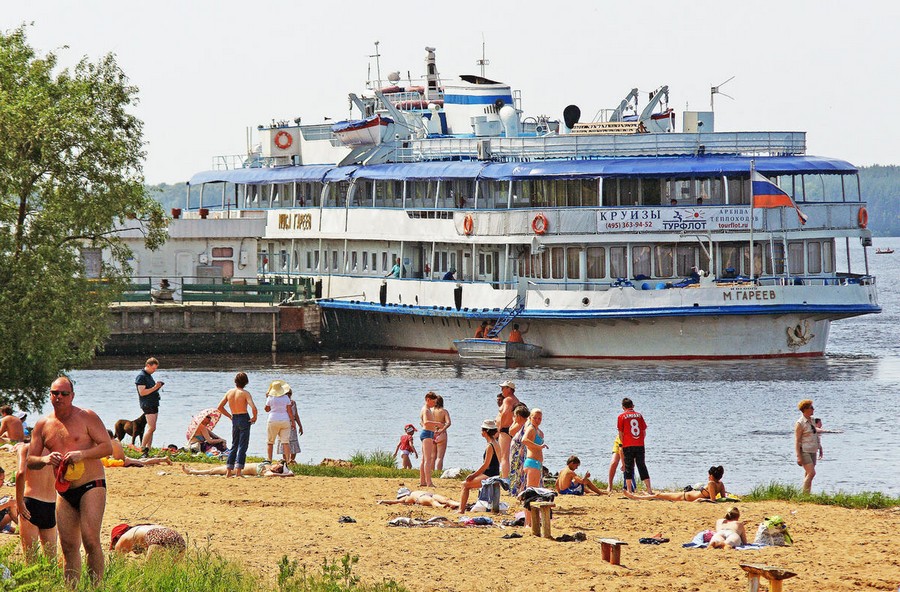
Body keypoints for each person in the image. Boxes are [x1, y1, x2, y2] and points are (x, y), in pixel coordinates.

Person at [27, 376, 113, 586]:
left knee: (90, 540)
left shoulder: (86, 416)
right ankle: (71, 589)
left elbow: (107, 447)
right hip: (64, 491)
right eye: (55, 393)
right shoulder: (43, 424)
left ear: (72, 396)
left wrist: (82, 454)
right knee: (67, 545)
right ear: (50, 395)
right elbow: (30, 460)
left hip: (91, 485)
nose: (59, 397)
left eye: (64, 394)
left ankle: (96, 588)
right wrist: (46, 459)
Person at [15, 442, 57, 562]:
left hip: (31, 502)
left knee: (30, 558)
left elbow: (20, 473)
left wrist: (19, 502)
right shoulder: (55, 449)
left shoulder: (26, 448)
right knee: (51, 560)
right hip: (51, 503)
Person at [216, 372, 258, 478]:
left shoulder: (229, 392)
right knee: (243, 445)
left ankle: (229, 471)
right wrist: (254, 417)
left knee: (234, 445)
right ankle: (238, 471)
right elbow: (253, 407)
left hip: (235, 417)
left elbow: (220, 407)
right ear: (246, 382)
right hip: (244, 417)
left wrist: (230, 416)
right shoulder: (245, 393)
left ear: (235, 381)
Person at [458, 419, 501, 514]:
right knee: (466, 483)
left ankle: (461, 510)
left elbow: (486, 465)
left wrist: (473, 475)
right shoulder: (495, 442)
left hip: (490, 474)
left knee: (465, 485)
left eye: (482, 430)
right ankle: (461, 509)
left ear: (485, 432)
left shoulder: (490, 445)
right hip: (494, 472)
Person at [624, 465, 726, 501]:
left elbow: (713, 500)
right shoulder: (721, 484)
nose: (708, 477)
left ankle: (635, 497)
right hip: (686, 495)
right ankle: (646, 494)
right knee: (660, 495)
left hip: (685, 497)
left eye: (709, 475)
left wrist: (700, 500)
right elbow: (723, 498)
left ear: (711, 476)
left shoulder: (711, 483)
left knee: (659, 496)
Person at [617, 397, 653, 494]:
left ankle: (629, 490)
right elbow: (644, 431)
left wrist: (622, 443)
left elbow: (621, 433)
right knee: (642, 466)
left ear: (623, 407)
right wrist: (639, 440)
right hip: (640, 444)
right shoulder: (639, 415)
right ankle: (649, 490)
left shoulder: (621, 417)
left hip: (628, 445)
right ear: (632, 406)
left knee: (628, 467)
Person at [134, 357, 163, 456]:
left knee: (152, 428)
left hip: (154, 403)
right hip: (147, 404)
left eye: (155, 369)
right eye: (153, 368)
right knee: (151, 427)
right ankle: (142, 448)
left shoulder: (149, 376)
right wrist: (155, 387)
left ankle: (148, 448)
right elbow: (142, 392)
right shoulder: (141, 376)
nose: (154, 370)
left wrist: (157, 387)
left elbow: (150, 389)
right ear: (148, 365)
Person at [110, 523, 186, 558]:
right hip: (178, 538)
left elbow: (118, 564)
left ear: (117, 537)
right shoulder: (142, 530)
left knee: (150, 574)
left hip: (157, 536)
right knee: (171, 573)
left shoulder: (123, 538)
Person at [103, 431, 172, 467]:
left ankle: (163, 459)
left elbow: (107, 455)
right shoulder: (116, 441)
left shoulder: (111, 443)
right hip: (124, 458)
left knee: (144, 462)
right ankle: (158, 460)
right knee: (141, 460)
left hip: (124, 461)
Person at [495, 380, 520, 478]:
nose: (501, 390)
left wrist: (500, 427)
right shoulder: (516, 400)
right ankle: (511, 476)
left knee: (504, 456)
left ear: (509, 389)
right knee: (512, 455)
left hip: (505, 429)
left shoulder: (507, 399)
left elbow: (505, 413)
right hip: (513, 429)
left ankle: (505, 478)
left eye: (503, 388)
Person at [265, 380, 293, 463]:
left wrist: (267, 399)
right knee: (285, 442)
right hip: (285, 420)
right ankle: (287, 460)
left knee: (270, 442)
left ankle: (269, 460)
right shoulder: (286, 398)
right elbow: (289, 411)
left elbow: (267, 409)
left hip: (273, 419)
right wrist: (293, 422)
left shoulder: (270, 398)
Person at [795, 399, 819, 493]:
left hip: (813, 450)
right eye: (811, 407)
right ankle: (804, 495)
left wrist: (820, 447)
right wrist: (798, 456)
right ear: (805, 409)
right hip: (804, 451)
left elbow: (815, 434)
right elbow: (797, 440)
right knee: (812, 473)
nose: (813, 409)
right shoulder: (800, 423)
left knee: (808, 473)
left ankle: (807, 494)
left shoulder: (812, 420)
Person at [419, 392, 441, 487]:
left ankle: (422, 481)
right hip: (427, 434)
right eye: (433, 402)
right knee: (428, 459)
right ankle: (429, 482)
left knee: (424, 459)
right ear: (428, 400)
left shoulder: (427, 409)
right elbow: (426, 422)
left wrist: (434, 429)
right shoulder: (426, 410)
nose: (434, 404)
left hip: (429, 433)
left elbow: (422, 422)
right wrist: (437, 424)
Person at [508, 403, 530, 497]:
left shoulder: (523, 424)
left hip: (520, 452)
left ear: (518, 416)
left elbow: (511, 431)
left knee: (518, 471)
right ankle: (515, 490)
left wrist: (515, 421)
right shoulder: (522, 423)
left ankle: (518, 490)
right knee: (515, 470)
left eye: (515, 415)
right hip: (517, 452)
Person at [522, 408, 547, 490]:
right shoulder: (531, 428)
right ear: (530, 418)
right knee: (531, 488)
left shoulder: (539, 431)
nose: (537, 420)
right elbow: (524, 440)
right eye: (535, 418)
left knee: (535, 488)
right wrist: (538, 447)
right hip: (532, 461)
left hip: (537, 462)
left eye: (539, 418)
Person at [277, 389, 303, 464]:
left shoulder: (293, 403)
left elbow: (296, 415)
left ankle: (291, 460)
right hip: (284, 423)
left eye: (290, 394)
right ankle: (286, 460)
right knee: (284, 442)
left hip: (292, 424)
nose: (288, 395)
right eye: (286, 394)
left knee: (293, 442)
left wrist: (300, 426)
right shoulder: (281, 403)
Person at [181, 461, 293, 477]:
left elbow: (272, 475)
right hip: (239, 466)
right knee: (215, 469)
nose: (276, 464)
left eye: (278, 466)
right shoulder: (268, 466)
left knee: (213, 471)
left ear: (277, 470)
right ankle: (194, 471)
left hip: (237, 470)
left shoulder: (267, 471)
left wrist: (286, 475)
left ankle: (192, 472)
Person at [378, 488, 460, 509]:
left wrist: (383, 501)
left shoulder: (407, 497)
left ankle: (442, 506)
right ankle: (458, 504)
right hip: (430, 494)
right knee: (446, 499)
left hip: (421, 498)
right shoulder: (415, 491)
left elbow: (395, 501)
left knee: (432, 501)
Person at [433, 395, 452, 472]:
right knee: (440, 457)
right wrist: (441, 430)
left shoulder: (431, 411)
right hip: (441, 434)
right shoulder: (444, 411)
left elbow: (423, 422)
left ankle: (431, 472)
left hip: (432, 433)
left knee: (432, 457)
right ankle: (438, 472)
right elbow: (448, 423)